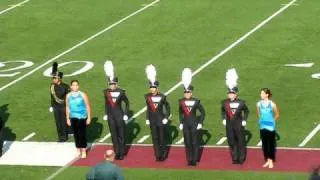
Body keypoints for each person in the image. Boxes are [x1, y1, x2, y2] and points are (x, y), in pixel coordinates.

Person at [221, 68, 249, 164]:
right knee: (231, 141)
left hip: (238, 124)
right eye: (229, 93)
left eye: (232, 93)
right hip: (229, 125)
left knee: (241, 142)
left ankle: (241, 158)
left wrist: (244, 120)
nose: (230, 95)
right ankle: (235, 158)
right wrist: (224, 118)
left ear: (235, 94)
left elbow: (246, 111)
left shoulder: (241, 102)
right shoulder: (224, 102)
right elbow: (222, 111)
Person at [103, 61, 130, 160]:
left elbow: (127, 103)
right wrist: (106, 113)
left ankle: (122, 152)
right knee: (114, 135)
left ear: (116, 84)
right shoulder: (106, 92)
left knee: (121, 134)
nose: (111, 86)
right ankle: (117, 152)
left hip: (119, 115)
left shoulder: (121, 92)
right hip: (111, 116)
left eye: (113, 84)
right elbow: (106, 103)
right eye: (110, 84)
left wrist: (126, 113)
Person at [178, 68, 205, 166]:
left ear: (191, 93)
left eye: (188, 92)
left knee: (194, 142)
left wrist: (200, 123)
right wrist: (181, 122)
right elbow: (180, 112)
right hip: (185, 124)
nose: (187, 94)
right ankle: (189, 159)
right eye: (185, 93)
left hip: (194, 123)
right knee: (187, 143)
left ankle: (195, 159)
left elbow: (203, 112)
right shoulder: (181, 101)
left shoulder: (196, 101)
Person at [145, 65, 171, 161]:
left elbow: (167, 107)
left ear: (157, 88)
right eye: (151, 88)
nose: (152, 89)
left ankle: (163, 155)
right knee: (155, 138)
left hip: (160, 119)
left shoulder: (162, 96)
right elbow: (148, 108)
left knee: (161, 138)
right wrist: (147, 118)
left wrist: (166, 117)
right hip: (152, 120)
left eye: (154, 88)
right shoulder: (147, 96)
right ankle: (157, 155)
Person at [66, 80, 91, 158]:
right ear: (71, 86)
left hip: (82, 117)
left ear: (78, 86)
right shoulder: (68, 96)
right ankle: (78, 150)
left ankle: (83, 150)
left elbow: (88, 106)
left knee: (82, 134)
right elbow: (67, 107)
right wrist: (67, 118)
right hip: (73, 117)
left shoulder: (83, 95)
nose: (75, 87)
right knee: (76, 134)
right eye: (73, 85)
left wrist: (89, 117)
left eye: (76, 85)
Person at [257, 88, 280, 169]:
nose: (261, 95)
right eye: (261, 93)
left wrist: (272, 121)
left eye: (263, 93)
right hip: (262, 126)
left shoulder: (272, 104)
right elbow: (259, 114)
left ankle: (271, 161)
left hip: (270, 127)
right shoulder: (259, 104)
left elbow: (277, 114)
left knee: (271, 144)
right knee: (264, 144)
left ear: (267, 95)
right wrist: (261, 120)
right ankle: (267, 160)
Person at [49, 62, 71, 142]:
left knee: (63, 122)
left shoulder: (65, 87)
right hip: (56, 107)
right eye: (53, 78)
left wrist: (68, 107)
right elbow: (52, 96)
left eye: (55, 78)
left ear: (59, 78)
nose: (53, 79)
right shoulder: (52, 86)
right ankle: (60, 136)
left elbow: (68, 98)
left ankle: (64, 136)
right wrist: (51, 105)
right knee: (57, 122)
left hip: (63, 106)